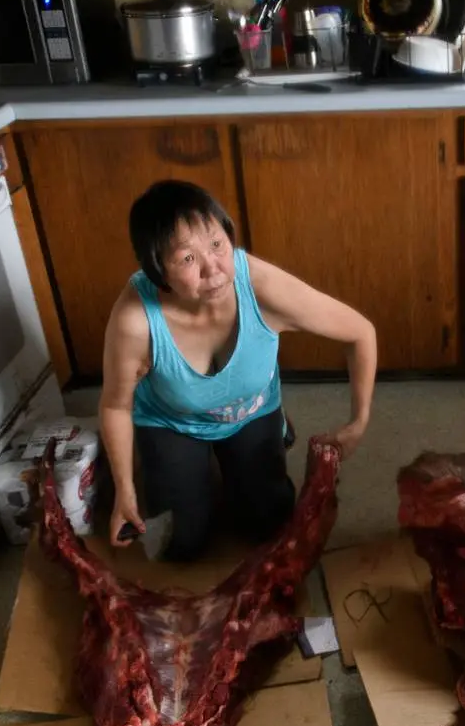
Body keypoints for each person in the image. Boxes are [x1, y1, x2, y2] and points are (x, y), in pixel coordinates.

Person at [99, 179, 376, 560]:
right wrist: (124, 491)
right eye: (186, 258)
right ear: (156, 271)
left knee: (269, 525)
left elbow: (360, 333)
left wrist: (358, 421)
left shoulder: (261, 286)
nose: (212, 269)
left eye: (217, 244)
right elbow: (115, 405)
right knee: (179, 545)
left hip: (251, 408)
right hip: (173, 418)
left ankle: (271, 429)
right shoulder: (135, 318)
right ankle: (184, 468)